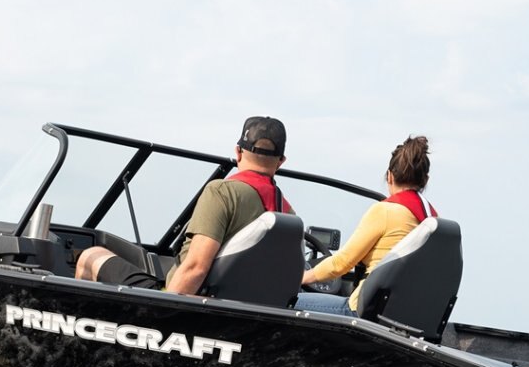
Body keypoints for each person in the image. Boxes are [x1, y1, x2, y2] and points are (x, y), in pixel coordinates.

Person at [74, 116, 292, 294]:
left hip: (186, 306)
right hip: (243, 310)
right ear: (281, 161)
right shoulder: (287, 215)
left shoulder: (222, 192)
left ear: (238, 152)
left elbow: (196, 267)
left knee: (90, 256)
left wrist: (164, 312)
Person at [295, 135, 436, 316]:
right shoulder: (433, 222)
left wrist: (302, 277)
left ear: (389, 176)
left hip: (364, 312)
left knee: (283, 302)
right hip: (405, 314)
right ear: (425, 180)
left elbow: (341, 263)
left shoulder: (385, 211)